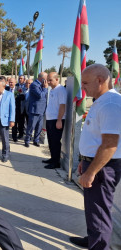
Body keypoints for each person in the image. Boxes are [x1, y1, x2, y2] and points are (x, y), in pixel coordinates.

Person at [69, 64, 121, 250]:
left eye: (85, 83)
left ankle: (99, 246)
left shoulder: (111, 104)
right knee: (93, 209)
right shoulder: (102, 100)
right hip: (94, 164)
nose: (82, 87)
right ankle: (93, 238)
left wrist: (92, 172)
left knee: (99, 211)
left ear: (100, 81)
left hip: (102, 168)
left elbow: (109, 145)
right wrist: (85, 161)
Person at [43, 72, 66, 169]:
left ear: (57, 79)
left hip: (56, 119)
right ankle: (52, 158)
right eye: (48, 79)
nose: (48, 82)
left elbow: (62, 105)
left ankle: (56, 162)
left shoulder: (61, 90)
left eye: (50, 80)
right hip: (50, 119)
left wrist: (59, 120)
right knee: (51, 140)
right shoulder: (52, 90)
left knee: (56, 142)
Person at [24, 72, 48, 148]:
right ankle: (27, 140)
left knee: (39, 127)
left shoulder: (42, 84)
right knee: (31, 127)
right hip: (35, 110)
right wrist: (45, 88)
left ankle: (36, 140)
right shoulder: (34, 85)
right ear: (42, 78)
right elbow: (40, 95)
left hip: (42, 110)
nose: (47, 80)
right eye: (46, 78)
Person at [12, 75, 27, 142]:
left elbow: (24, 95)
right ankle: (15, 135)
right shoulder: (16, 85)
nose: (20, 79)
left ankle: (21, 133)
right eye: (19, 78)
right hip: (16, 106)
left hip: (23, 106)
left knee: (21, 121)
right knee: (15, 121)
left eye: (21, 78)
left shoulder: (25, 85)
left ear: (24, 79)